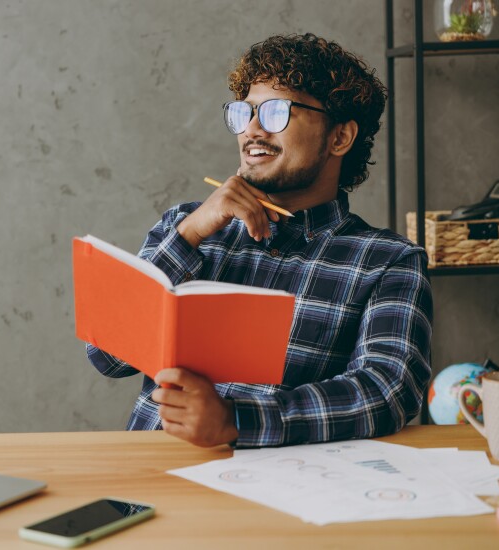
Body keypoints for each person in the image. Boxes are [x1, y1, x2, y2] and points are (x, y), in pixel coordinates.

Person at [85, 33, 433, 449]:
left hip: (277, 500)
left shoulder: (388, 261)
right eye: (243, 113)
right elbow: (107, 357)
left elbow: (387, 391)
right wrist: (191, 233)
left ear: (340, 138)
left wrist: (237, 421)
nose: (251, 130)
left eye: (275, 113)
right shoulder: (187, 228)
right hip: (151, 488)